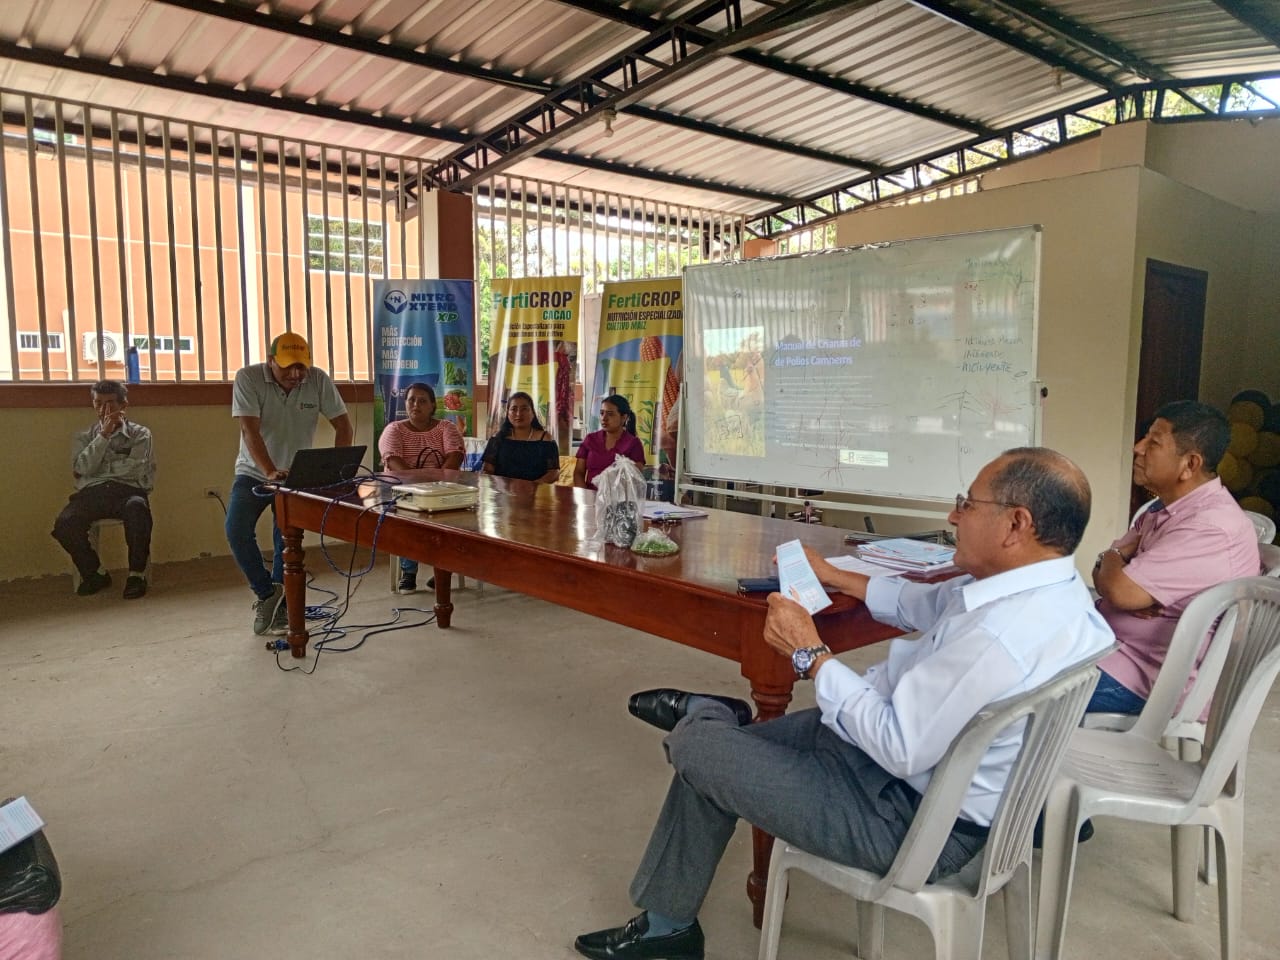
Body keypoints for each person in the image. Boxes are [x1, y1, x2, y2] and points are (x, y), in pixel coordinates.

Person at [573, 448, 1113, 960]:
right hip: (914, 776)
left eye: (968, 504)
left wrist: (811, 654)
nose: (953, 516)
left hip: (905, 818)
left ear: (1016, 524)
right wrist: (834, 576)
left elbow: (897, 745)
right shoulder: (1051, 594)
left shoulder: (997, 638)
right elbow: (921, 602)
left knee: (696, 746)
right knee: (717, 756)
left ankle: (706, 714)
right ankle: (668, 924)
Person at [1089, 400, 1261, 715]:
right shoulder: (1163, 508)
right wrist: (1115, 568)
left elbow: (1118, 589)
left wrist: (1114, 559)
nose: (1138, 448)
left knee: (1014, 688)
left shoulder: (1209, 527)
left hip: (1143, 678)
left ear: (1190, 464)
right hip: (1114, 648)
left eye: (1153, 442)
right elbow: (1105, 578)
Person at [226, 332, 353, 636]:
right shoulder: (248, 378)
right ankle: (267, 593)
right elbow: (249, 430)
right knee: (236, 530)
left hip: (296, 476)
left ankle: (282, 606)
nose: (296, 374)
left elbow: (343, 426)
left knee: (287, 540)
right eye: (287, 367)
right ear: (271, 361)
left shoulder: (318, 380)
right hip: (254, 472)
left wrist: (338, 470)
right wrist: (269, 470)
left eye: (301, 367)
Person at [51, 380, 156, 599]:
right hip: (92, 493)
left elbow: (135, 470)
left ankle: (137, 575)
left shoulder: (141, 434)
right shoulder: (83, 437)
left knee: (138, 509)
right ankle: (95, 573)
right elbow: (81, 467)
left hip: (127, 491)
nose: (103, 409)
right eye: (98, 403)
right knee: (65, 524)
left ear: (123, 405)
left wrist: (97, 469)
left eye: (110, 403)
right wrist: (104, 436)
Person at [379, 382, 464, 592]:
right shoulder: (394, 430)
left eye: (422, 401)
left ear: (433, 405)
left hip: (441, 490)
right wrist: (421, 487)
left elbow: (455, 456)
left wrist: (437, 487)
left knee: (454, 519)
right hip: (404, 491)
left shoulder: (446, 428)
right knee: (407, 519)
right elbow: (394, 461)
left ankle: (443, 569)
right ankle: (409, 573)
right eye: (411, 400)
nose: (416, 405)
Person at [481, 392, 560, 483]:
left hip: (536, 490)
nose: (518, 414)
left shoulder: (545, 439)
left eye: (524, 409)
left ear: (533, 413)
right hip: (503, 490)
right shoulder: (497, 439)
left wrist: (532, 486)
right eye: (514, 409)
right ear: (508, 414)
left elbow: (554, 473)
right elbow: (487, 469)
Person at [574, 394, 646, 490]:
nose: (604, 418)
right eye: (602, 413)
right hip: (589, 495)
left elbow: (636, 478)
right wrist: (585, 494)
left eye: (610, 414)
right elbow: (578, 472)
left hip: (619, 497)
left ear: (624, 417)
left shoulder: (633, 443)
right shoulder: (590, 439)